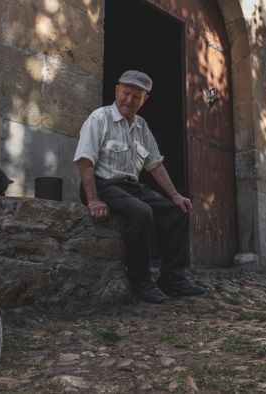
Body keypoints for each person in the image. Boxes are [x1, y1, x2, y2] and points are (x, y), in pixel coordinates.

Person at [73, 70, 205, 303]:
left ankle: (173, 278)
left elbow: (154, 164)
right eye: (126, 93)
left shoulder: (141, 126)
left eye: (137, 96)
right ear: (117, 90)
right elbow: (85, 161)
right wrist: (93, 199)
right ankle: (140, 281)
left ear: (145, 99)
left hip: (130, 188)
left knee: (177, 212)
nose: (129, 100)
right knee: (142, 212)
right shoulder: (99, 118)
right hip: (102, 185)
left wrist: (175, 196)